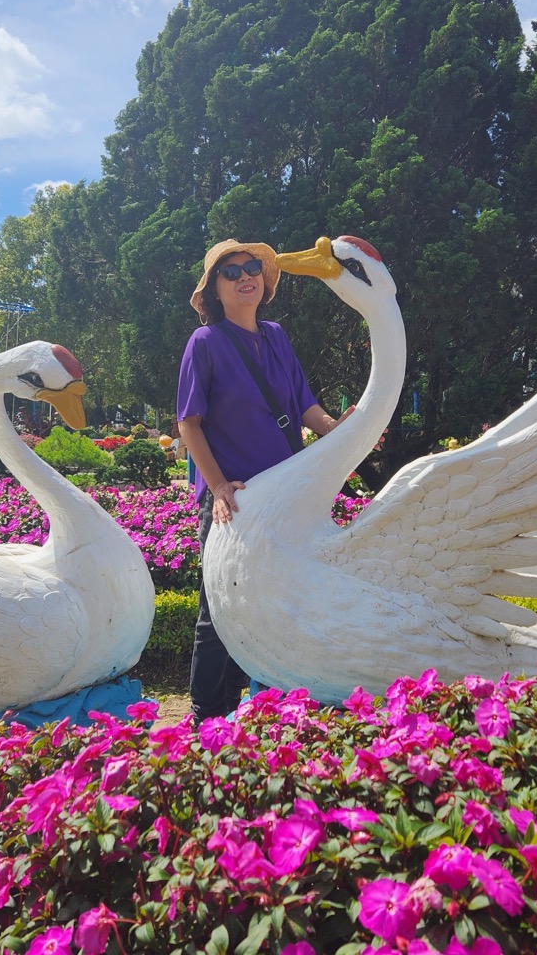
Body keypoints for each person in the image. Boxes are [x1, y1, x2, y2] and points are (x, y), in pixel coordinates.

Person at [177, 238, 352, 723]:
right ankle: (206, 714)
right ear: (213, 289)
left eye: (252, 267)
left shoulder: (276, 336)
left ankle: (260, 704)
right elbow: (188, 423)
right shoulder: (206, 343)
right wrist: (216, 487)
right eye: (230, 272)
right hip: (234, 500)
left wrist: (341, 430)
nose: (245, 276)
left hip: (288, 495)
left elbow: (303, 404)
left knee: (278, 599)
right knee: (219, 608)